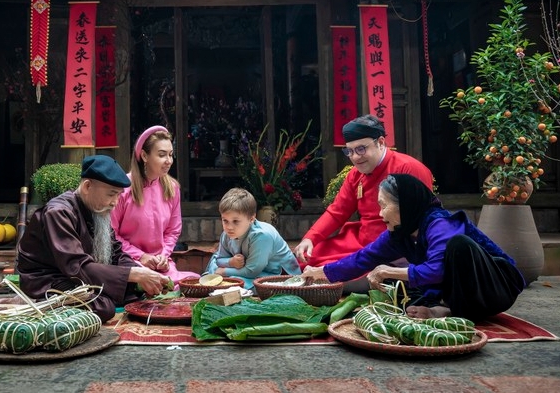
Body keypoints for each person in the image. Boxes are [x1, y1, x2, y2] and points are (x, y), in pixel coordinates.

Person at [302, 174, 526, 321]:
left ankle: (446, 310)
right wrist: (319, 272)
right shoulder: (400, 233)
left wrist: (386, 271)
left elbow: (437, 270)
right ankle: (448, 310)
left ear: (405, 206)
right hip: (462, 296)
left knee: (460, 246)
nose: (380, 214)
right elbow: (363, 258)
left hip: (496, 287)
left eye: (384, 206)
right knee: (404, 295)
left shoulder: (439, 223)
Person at [11, 155, 171, 323]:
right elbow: (76, 267)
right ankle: (39, 303)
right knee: (103, 307)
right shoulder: (59, 212)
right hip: (49, 280)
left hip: (77, 278)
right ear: (87, 186)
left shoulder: (98, 210)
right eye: (111, 194)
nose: (115, 202)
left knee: (133, 292)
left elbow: (116, 254)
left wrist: (144, 275)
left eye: (118, 195)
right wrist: (134, 274)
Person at [294, 115, 434, 274]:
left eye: (361, 149)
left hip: (394, 245)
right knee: (311, 256)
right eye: (349, 151)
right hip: (360, 239)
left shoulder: (408, 168)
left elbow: (418, 220)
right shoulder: (355, 174)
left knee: (333, 270)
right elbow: (337, 211)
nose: (354, 157)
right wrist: (310, 238)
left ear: (381, 142)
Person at [111, 126, 199, 284]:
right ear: (144, 155)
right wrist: (141, 256)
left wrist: (163, 256)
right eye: (162, 155)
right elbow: (112, 234)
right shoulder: (123, 188)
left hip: (161, 264)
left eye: (171, 155)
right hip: (129, 262)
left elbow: (173, 231)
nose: (169, 161)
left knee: (193, 281)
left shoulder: (172, 188)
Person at [203, 188, 301, 290]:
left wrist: (224, 272)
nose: (229, 227)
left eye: (235, 221)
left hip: (277, 277)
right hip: (246, 272)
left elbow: (251, 271)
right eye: (225, 221)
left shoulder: (261, 236)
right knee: (215, 264)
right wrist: (231, 262)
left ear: (251, 219)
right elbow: (219, 260)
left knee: (232, 283)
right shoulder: (227, 233)